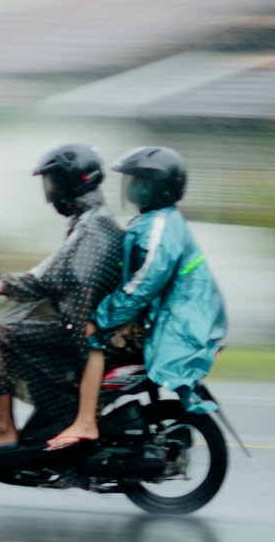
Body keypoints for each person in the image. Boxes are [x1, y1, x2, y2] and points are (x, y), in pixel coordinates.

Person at [47, 144, 228, 451]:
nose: (130, 188)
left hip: (175, 328)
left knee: (90, 339)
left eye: (139, 181)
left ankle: (86, 422)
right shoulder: (155, 220)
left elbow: (142, 286)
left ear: (159, 188)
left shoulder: (159, 228)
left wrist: (98, 319)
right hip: (171, 318)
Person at [0, 142, 122, 449]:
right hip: (79, 324)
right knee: (13, 323)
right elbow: (54, 271)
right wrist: (6, 284)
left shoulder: (92, 226)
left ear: (74, 181)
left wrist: (1, 286)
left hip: (77, 332)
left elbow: (51, 277)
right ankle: (43, 422)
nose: (50, 192)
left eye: (53, 182)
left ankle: (4, 429)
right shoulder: (91, 219)